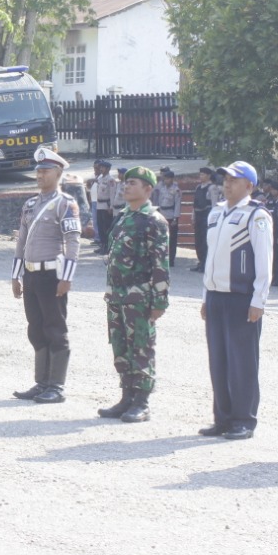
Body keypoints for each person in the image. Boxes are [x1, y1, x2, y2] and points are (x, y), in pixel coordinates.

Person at [198, 161, 274, 441]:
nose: (227, 183)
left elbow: (264, 262)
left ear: (249, 186)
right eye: (226, 178)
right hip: (217, 296)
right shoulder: (216, 213)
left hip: (241, 298)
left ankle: (244, 419)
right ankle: (223, 417)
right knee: (218, 360)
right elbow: (210, 260)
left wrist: (259, 300)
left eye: (234, 179)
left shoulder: (256, 216)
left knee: (242, 362)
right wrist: (206, 295)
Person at [99, 166, 170, 423]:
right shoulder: (124, 217)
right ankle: (126, 396)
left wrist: (160, 300)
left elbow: (160, 263)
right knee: (120, 347)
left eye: (134, 183)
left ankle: (142, 402)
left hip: (140, 297)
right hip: (117, 295)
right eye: (126, 183)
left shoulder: (154, 220)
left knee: (141, 347)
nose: (127, 187)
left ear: (148, 190)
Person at [11, 148, 82, 404]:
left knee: (55, 328)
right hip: (31, 275)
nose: (40, 174)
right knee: (36, 329)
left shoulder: (65, 204)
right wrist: (15, 276)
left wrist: (68, 278)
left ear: (58, 173)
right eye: (38, 170)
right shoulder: (30, 204)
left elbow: (73, 241)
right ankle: (41, 383)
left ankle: (56, 386)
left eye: (45, 170)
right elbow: (21, 241)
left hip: (53, 275)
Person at [151, 166, 182, 266]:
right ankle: (162, 257)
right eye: (164, 179)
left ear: (172, 179)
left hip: (171, 215)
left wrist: (175, 218)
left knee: (172, 240)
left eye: (167, 179)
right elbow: (157, 200)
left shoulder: (176, 190)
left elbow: (177, 205)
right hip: (162, 214)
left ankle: (171, 260)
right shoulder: (161, 188)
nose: (165, 181)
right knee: (161, 237)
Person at [90, 159, 118, 255]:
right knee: (101, 227)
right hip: (99, 205)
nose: (101, 169)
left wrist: (111, 207)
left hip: (106, 205)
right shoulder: (100, 179)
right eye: (100, 167)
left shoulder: (110, 180)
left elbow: (112, 194)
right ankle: (102, 245)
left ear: (108, 169)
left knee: (106, 227)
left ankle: (107, 247)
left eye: (103, 167)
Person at [191, 167, 215, 271]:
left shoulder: (212, 188)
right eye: (200, 174)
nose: (201, 176)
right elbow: (195, 203)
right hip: (198, 214)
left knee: (205, 240)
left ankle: (206, 263)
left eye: (203, 174)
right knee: (198, 240)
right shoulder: (198, 188)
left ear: (208, 176)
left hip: (207, 214)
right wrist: (193, 215)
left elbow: (214, 204)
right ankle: (200, 262)